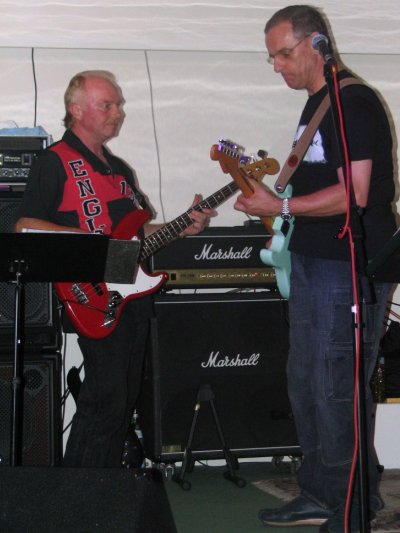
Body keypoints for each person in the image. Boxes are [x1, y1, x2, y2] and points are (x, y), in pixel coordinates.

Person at [234, 5, 396, 533]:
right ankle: (322, 492)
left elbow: (356, 194)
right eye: (271, 58)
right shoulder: (318, 104)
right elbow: (312, 186)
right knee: (306, 383)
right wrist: (275, 207)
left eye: (284, 54)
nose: (277, 66)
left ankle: (352, 506)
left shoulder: (354, 102)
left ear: (317, 44)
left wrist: (279, 206)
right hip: (312, 260)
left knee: (335, 388)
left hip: (346, 267)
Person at [15, 70, 215, 468]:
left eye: (118, 104)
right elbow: (25, 226)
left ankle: (102, 488)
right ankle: (81, 492)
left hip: (132, 295)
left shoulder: (119, 168)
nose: (117, 112)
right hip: (92, 295)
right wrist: (93, 242)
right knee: (106, 397)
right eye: (106, 104)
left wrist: (184, 226)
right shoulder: (54, 161)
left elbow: (138, 235)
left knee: (122, 400)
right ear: (76, 110)